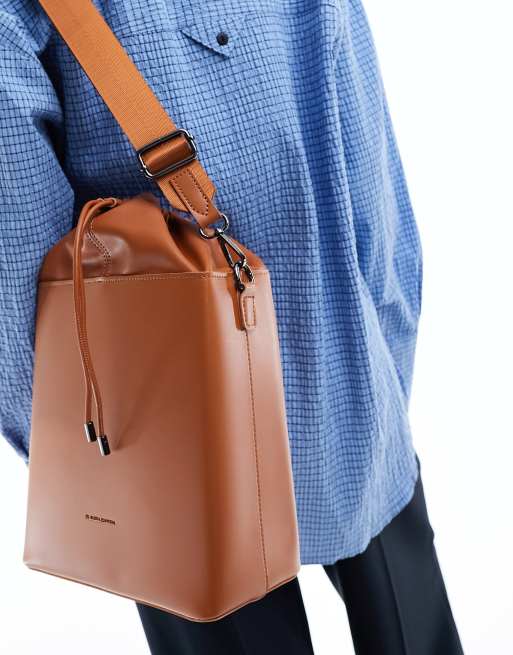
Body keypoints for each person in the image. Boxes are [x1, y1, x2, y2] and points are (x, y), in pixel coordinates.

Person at [0, 0, 464, 653]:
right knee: (413, 625)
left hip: (167, 439)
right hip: (350, 381)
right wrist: (386, 360)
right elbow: (374, 187)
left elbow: (19, 272)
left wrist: (84, 448)